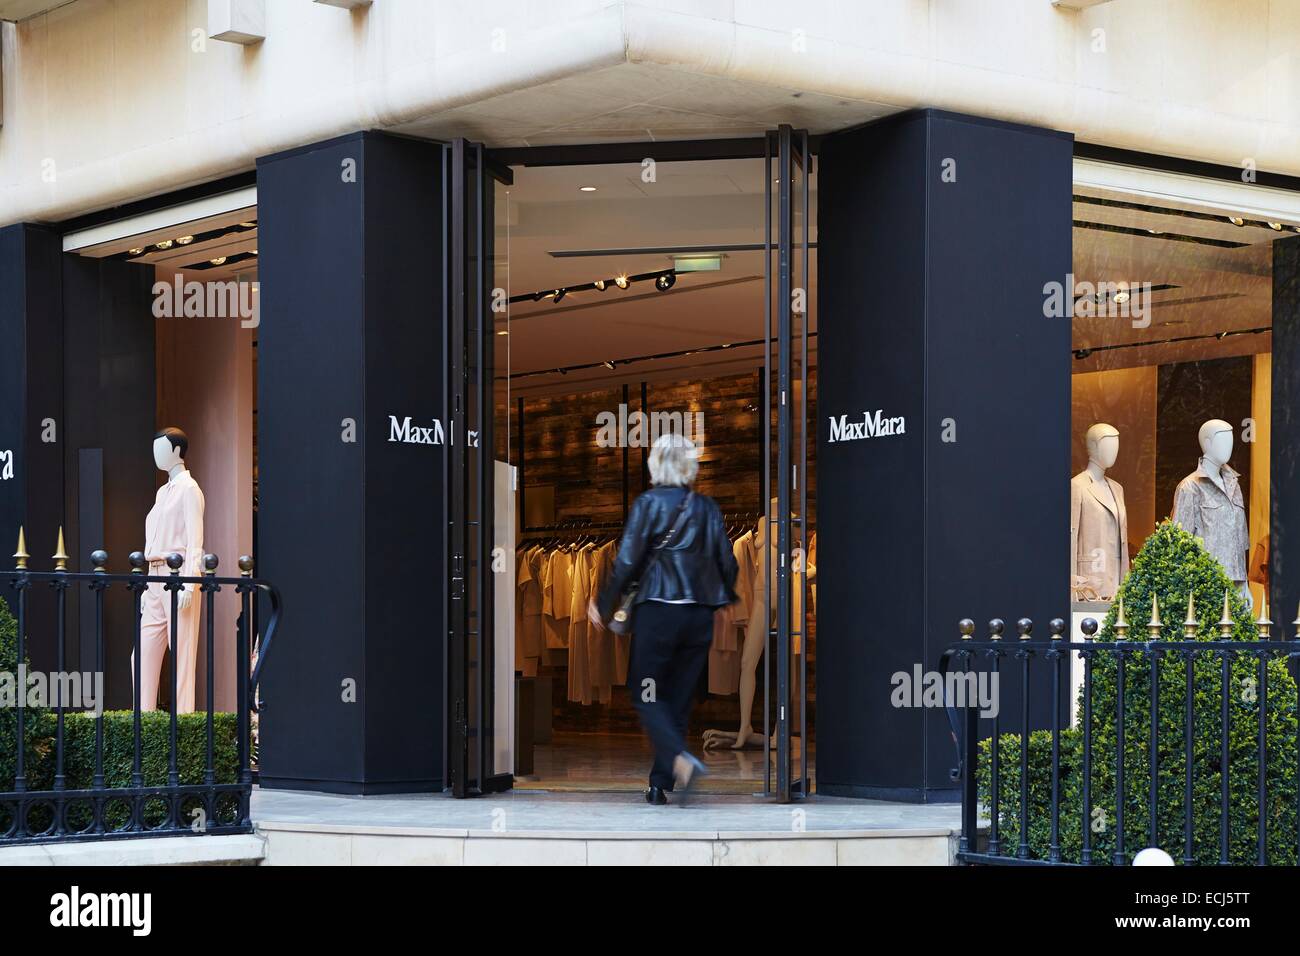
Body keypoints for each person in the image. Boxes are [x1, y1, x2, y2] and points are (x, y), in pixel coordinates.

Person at [589, 432, 738, 806]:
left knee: (645, 691)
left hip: (659, 610)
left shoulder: (648, 503)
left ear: (655, 464)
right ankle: (660, 782)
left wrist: (604, 604)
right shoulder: (707, 507)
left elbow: (626, 561)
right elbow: (728, 563)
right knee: (676, 698)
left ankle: (679, 758)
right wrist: (719, 598)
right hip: (699, 616)